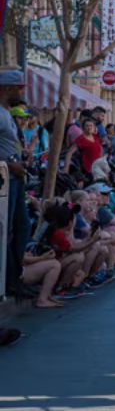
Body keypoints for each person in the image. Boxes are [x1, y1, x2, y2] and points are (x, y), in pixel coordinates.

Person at [0, 68, 30, 300]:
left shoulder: (7, 113)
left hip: (16, 177)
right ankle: (8, 281)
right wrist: (10, 166)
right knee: (8, 230)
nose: (22, 91)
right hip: (6, 178)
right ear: (7, 89)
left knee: (21, 227)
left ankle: (15, 278)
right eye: (19, 87)